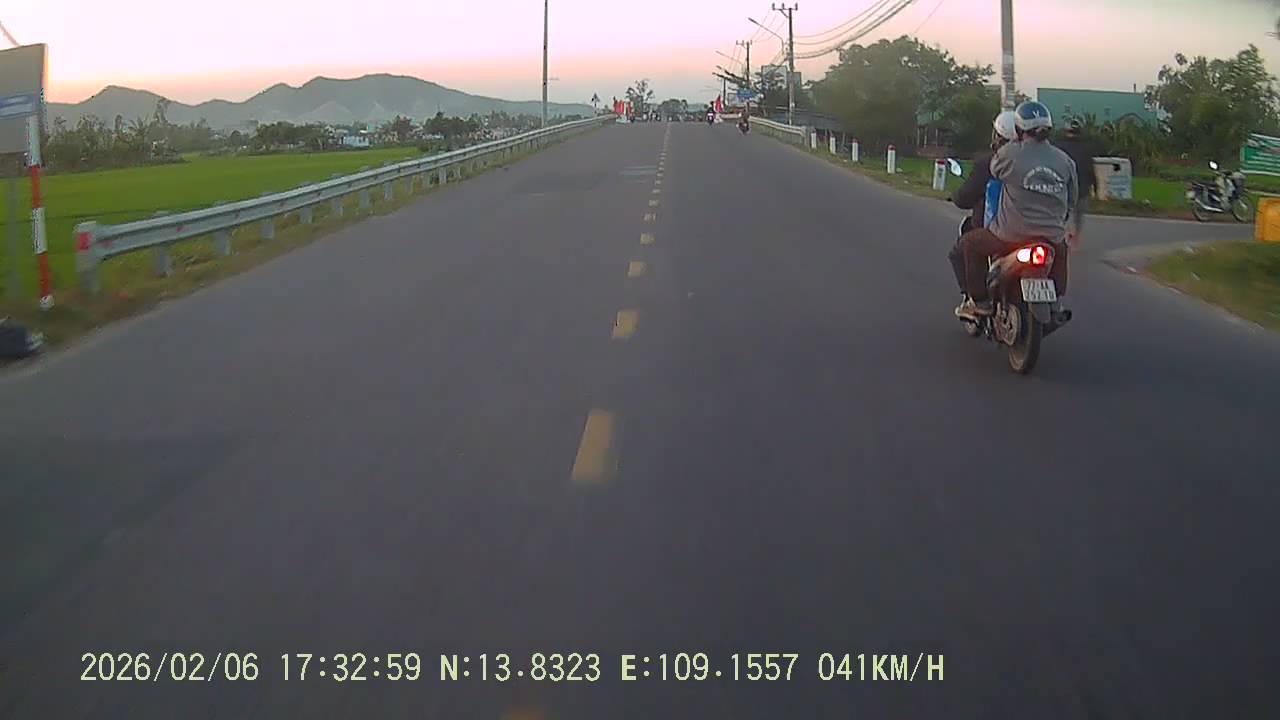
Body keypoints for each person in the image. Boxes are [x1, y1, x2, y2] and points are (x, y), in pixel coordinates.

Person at [955, 101, 1078, 320]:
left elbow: (994, 171)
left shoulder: (1010, 155)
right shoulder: (1065, 160)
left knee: (969, 243)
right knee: (1061, 249)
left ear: (1019, 129)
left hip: (1010, 235)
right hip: (1051, 235)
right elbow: (1072, 199)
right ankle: (1056, 301)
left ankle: (980, 302)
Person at [948, 110, 1017, 294]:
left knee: (962, 250)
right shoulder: (1034, 161)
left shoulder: (989, 163)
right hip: (1036, 230)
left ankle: (977, 299)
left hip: (997, 230)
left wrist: (956, 196)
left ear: (998, 135)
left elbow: (965, 197)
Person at [1055, 118, 1095, 243]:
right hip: (1082, 188)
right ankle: (1075, 240)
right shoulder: (1085, 148)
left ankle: (1062, 236)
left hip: (1062, 188)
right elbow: (1090, 169)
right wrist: (1095, 186)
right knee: (1078, 217)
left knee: (1060, 215)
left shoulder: (1058, 147)